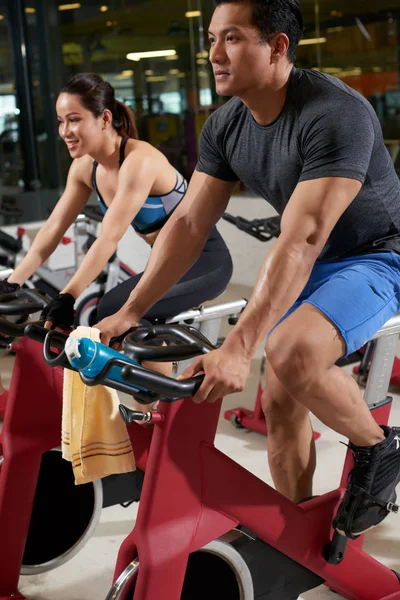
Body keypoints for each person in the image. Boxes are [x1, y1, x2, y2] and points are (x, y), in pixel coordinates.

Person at [96, 0, 400, 540]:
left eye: (231, 38)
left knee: (289, 352)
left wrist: (238, 347)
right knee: (279, 397)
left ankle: (380, 449)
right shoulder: (227, 125)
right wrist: (131, 310)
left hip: (379, 254)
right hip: (320, 257)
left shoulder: (335, 112)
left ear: (278, 46)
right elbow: (188, 226)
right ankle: (299, 534)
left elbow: (304, 236)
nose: (213, 54)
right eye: (211, 38)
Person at [2, 73, 232, 341]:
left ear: (105, 119)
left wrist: (69, 295)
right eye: (61, 122)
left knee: (114, 309)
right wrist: (12, 283)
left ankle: (157, 382)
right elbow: (52, 230)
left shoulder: (139, 161)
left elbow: (109, 238)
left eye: (74, 120)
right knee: (110, 312)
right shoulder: (85, 168)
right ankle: (146, 381)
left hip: (205, 260)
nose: (65, 131)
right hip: (167, 263)